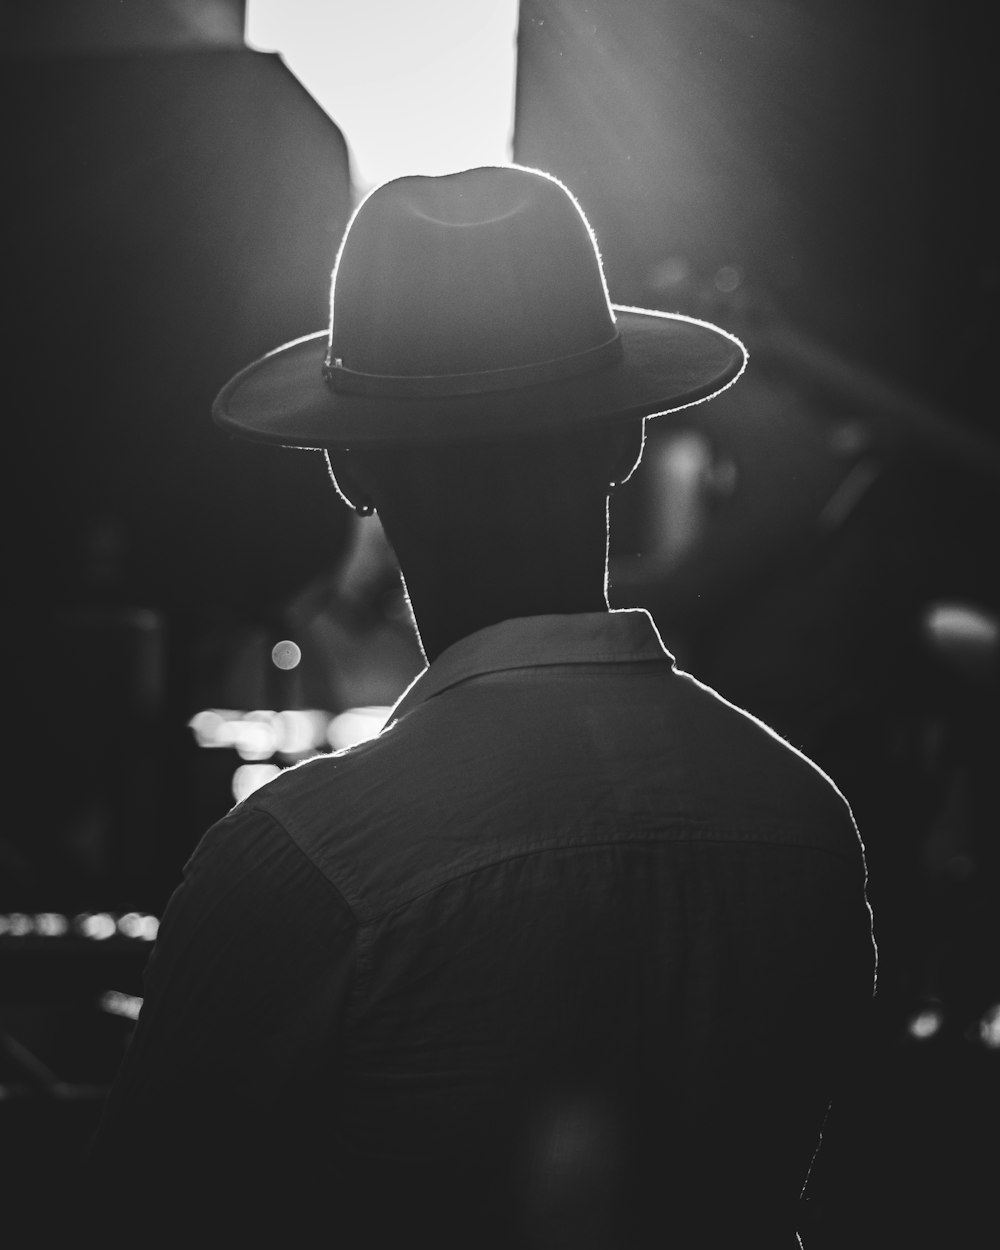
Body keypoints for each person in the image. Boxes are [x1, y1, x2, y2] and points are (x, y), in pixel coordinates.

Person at [84, 165, 876, 1247]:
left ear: (351, 469)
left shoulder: (304, 863)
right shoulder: (805, 820)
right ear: (623, 439)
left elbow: (141, 1217)